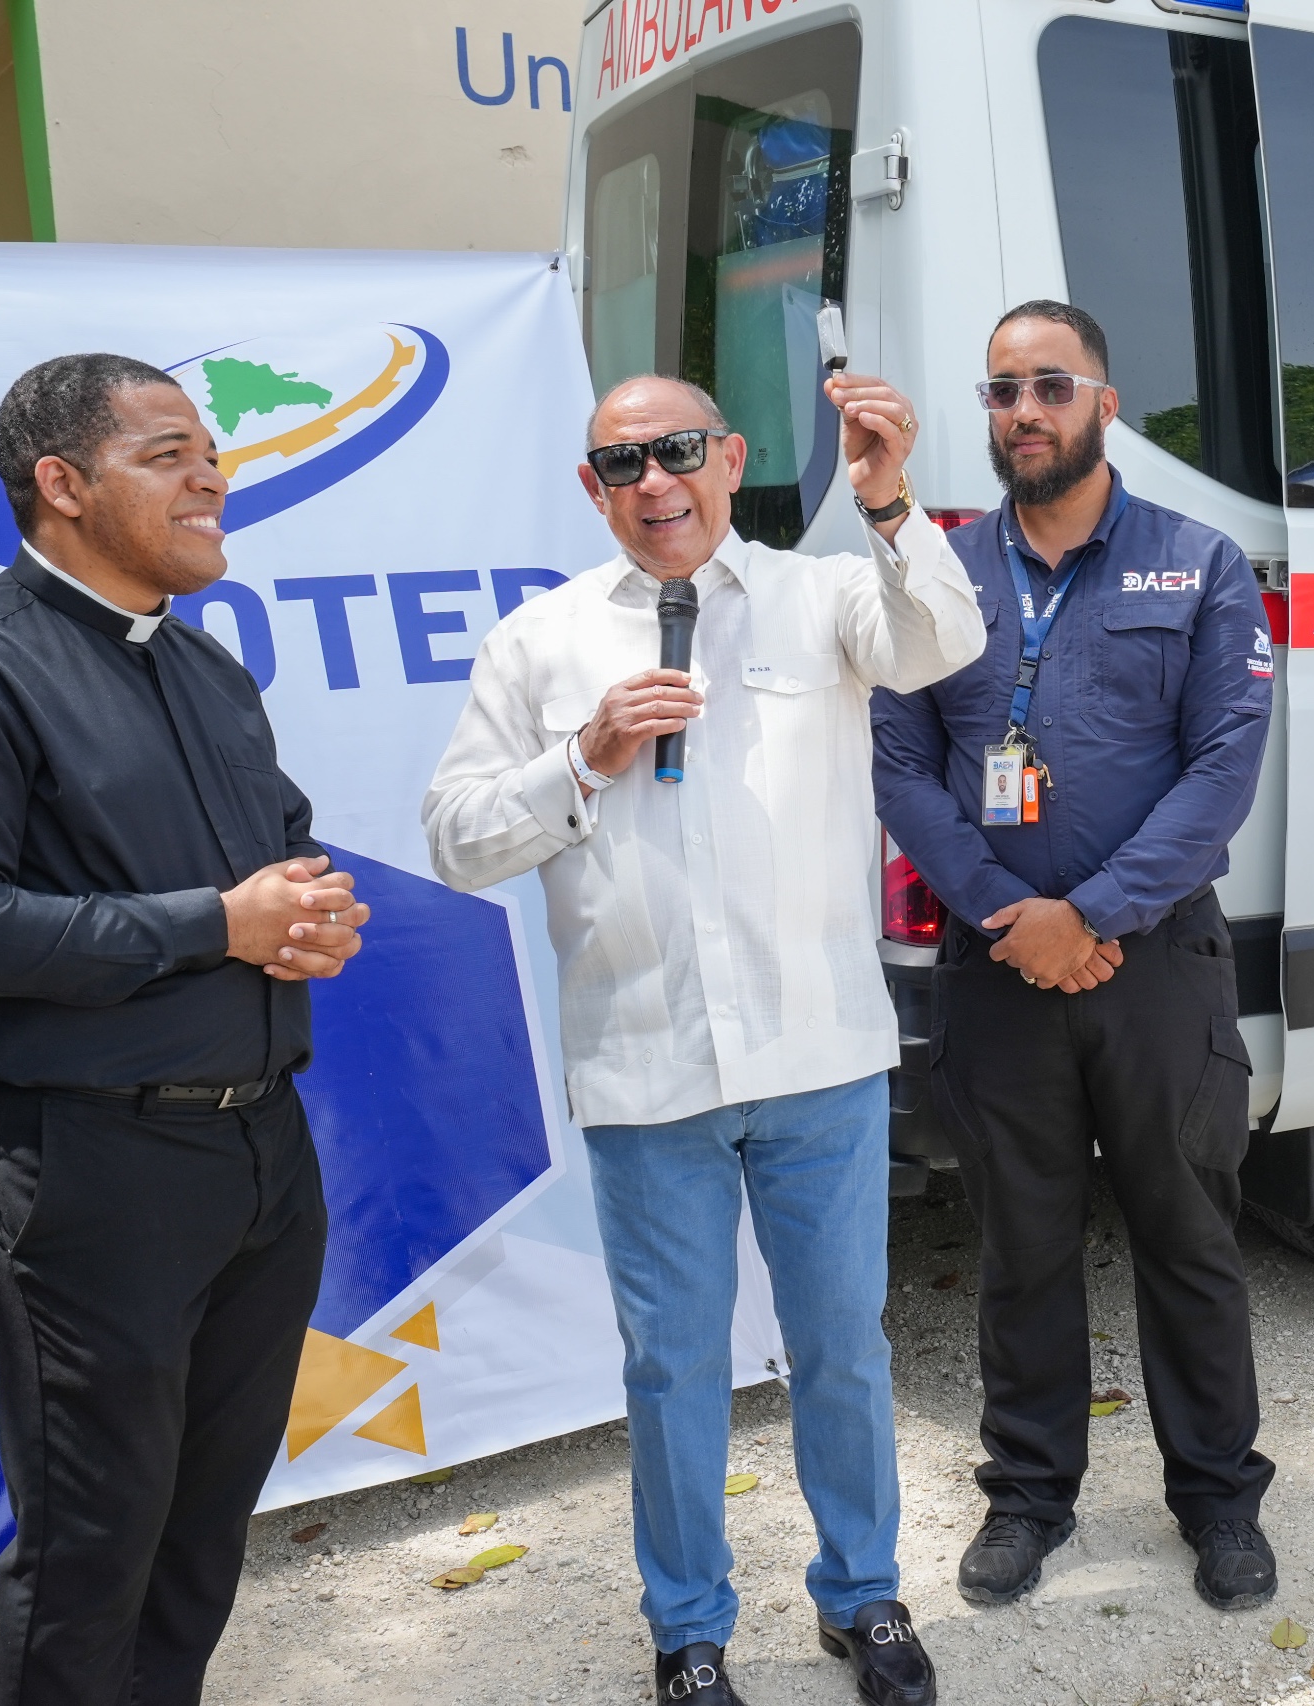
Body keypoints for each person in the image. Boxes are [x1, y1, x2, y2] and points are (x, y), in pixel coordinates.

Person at [423, 368, 981, 1706]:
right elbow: (452, 838)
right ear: (592, 487)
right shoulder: (540, 640)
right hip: (646, 1065)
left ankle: (865, 1596)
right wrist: (585, 755)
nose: (655, 482)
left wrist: (890, 494)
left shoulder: (825, 591)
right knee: (673, 1364)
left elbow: (941, 639)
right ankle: (687, 1629)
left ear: (729, 458)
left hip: (818, 1056)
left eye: (678, 452)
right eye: (624, 464)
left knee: (842, 1346)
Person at [0, 354, 367, 1705]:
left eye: (211, 448)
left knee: (200, 1537)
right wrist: (218, 923)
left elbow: (279, 844)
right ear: (61, 485)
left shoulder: (202, 667)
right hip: (84, 1171)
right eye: (170, 453)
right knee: (92, 1550)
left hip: (259, 1162)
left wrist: (302, 911)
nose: (215, 475)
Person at [870, 300, 1280, 1612]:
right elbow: (902, 765)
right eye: (1001, 391)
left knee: (1188, 1233)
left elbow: (1224, 768)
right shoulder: (938, 574)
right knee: (1022, 1242)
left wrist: (1091, 913)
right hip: (997, 966)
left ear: (1105, 400)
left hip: (1154, 964)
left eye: (1050, 385)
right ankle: (1029, 1493)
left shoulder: (1199, 563)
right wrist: (1010, 912)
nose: (1024, 412)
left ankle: (1218, 1495)